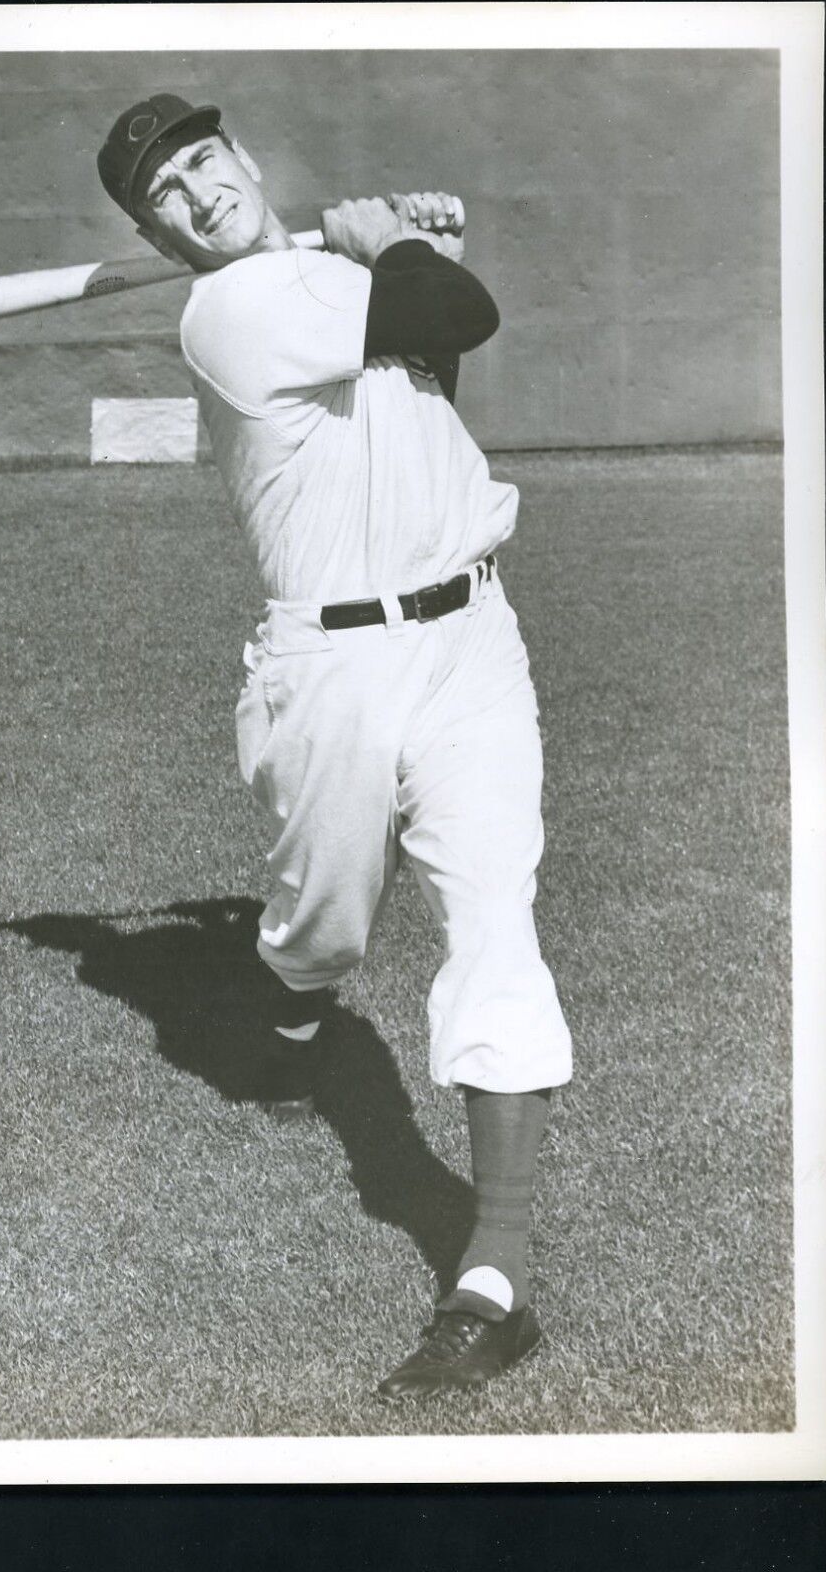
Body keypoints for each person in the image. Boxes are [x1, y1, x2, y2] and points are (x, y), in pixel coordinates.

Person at [97, 94, 572, 1397]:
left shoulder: (320, 278)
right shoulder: (228, 312)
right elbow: (454, 315)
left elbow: (429, 380)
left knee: (494, 924)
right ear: (158, 234)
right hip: (330, 667)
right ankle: (296, 997)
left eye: (205, 165)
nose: (198, 199)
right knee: (324, 926)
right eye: (166, 202)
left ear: (242, 162)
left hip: (469, 637)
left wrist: (381, 258)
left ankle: (494, 1274)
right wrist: (392, 249)